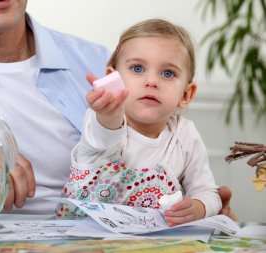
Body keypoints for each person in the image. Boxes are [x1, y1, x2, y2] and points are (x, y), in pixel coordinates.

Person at [0, 1, 236, 218]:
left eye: (166, 73)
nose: (150, 79)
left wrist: (203, 209)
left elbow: (157, 159)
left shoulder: (103, 65)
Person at [56, 19, 222, 226]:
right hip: (83, 238)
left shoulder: (184, 135)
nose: (151, 81)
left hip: (150, 242)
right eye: (137, 68)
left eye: (167, 73)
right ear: (113, 78)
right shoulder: (102, 121)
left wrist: (198, 207)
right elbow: (106, 133)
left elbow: (209, 193)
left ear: (186, 94)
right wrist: (109, 109)